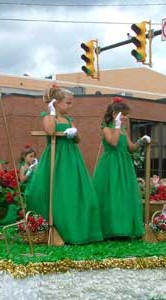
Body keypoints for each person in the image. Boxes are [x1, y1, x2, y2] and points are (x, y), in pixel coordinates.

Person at [25, 85, 103, 244]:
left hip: (71, 158)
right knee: (53, 190)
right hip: (55, 156)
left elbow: (78, 138)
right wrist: (52, 113)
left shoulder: (69, 120)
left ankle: (75, 228)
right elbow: (51, 131)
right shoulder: (47, 116)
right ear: (56, 103)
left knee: (72, 190)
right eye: (68, 103)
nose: (70, 106)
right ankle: (50, 228)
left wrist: (73, 134)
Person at [93, 97, 150, 239]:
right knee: (112, 196)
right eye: (123, 115)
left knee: (124, 195)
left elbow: (131, 148)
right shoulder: (106, 128)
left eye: (126, 115)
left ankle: (124, 228)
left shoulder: (123, 129)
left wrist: (141, 141)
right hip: (111, 165)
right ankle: (111, 229)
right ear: (114, 114)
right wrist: (117, 126)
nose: (125, 118)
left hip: (124, 165)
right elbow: (113, 142)